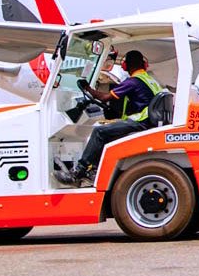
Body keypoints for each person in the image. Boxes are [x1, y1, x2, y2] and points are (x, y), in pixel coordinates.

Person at [62, 50, 162, 185]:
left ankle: (79, 171)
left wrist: (87, 88)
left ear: (125, 65)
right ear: (144, 65)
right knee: (108, 132)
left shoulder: (133, 82)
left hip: (140, 122)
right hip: (148, 122)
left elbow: (104, 97)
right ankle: (93, 170)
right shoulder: (149, 80)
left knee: (99, 131)